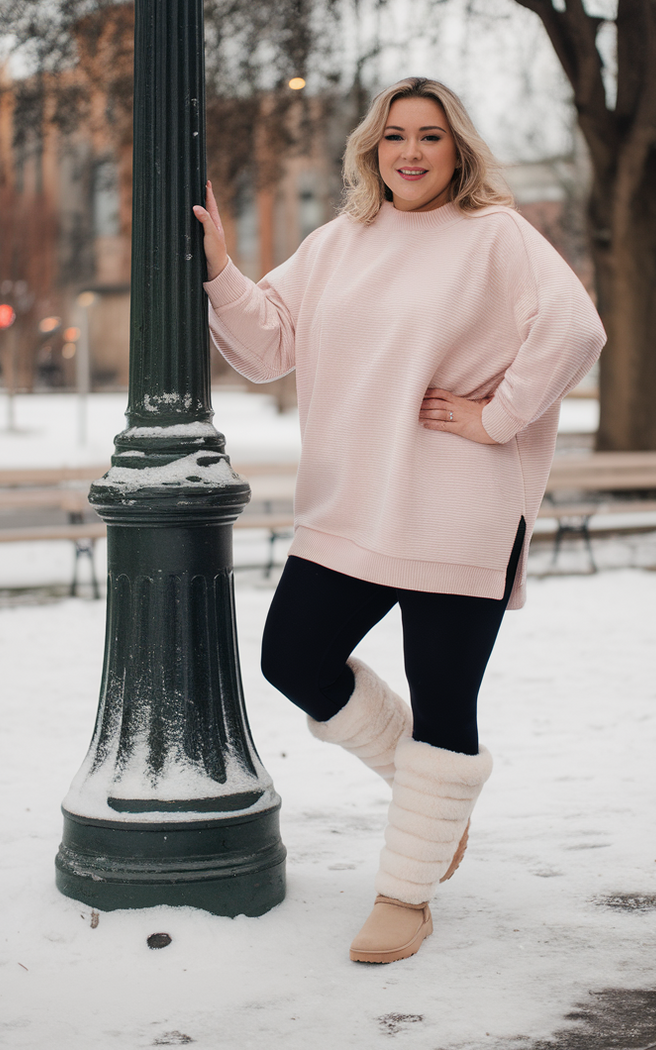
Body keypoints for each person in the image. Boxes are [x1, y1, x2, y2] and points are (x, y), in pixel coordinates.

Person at [193, 76, 606, 964]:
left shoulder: (494, 235)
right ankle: (431, 797)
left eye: (428, 136)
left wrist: (496, 419)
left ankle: (405, 894)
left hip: (461, 505)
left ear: (457, 148)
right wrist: (222, 267)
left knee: (447, 701)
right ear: (370, 151)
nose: (410, 152)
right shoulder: (341, 240)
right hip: (354, 501)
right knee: (292, 656)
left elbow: (573, 327)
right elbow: (268, 346)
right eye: (393, 138)